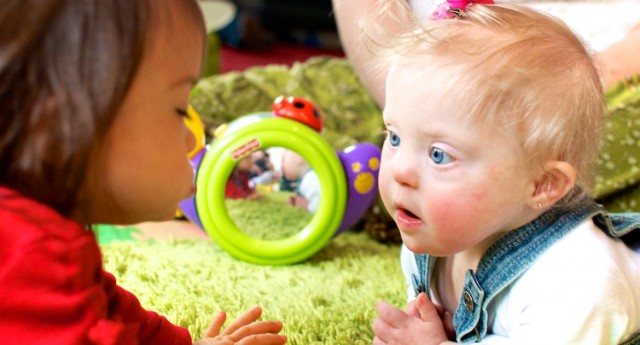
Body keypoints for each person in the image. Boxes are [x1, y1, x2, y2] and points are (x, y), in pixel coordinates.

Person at [0, 1, 287, 344]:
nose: (193, 137)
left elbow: (110, 313)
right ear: (64, 127)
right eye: (180, 108)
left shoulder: (51, 245)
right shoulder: (36, 253)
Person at [362, 1, 640, 343]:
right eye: (394, 136)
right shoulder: (431, 235)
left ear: (542, 184)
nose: (400, 170)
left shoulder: (574, 279)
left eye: (439, 155)